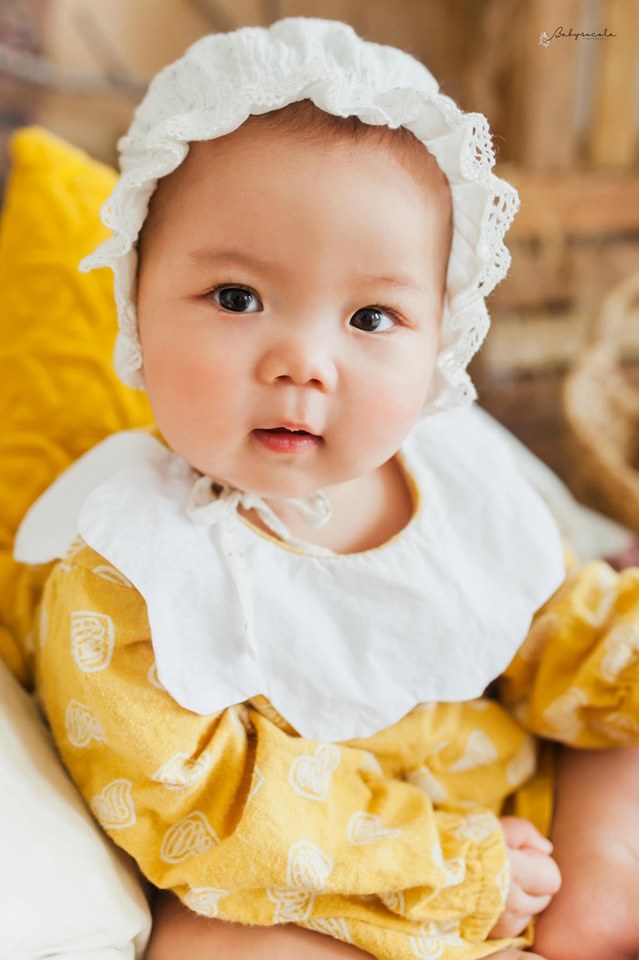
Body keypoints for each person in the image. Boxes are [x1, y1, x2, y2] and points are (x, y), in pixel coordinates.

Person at [14, 18, 639, 960]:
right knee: (208, 947)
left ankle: (602, 876)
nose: (303, 362)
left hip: (524, 822)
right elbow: (201, 808)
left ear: (441, 336)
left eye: (371, 317)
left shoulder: (452, 477)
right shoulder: (132, 565)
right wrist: (447, 864)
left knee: (614, 728)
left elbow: (562, 630)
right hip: (321, 880)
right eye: (237, 298)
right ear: (136, 297)